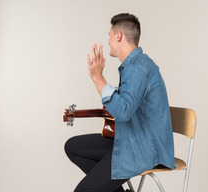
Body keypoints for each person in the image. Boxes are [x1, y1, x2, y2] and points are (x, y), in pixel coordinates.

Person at [64, 13, 175, 192]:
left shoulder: (138, 67)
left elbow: (123, 112)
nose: (107, 40)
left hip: (143, 149)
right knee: (72, 147)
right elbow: (127, 105)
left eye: (109, 35)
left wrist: (98, 78)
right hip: (131, 139)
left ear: (118, 36)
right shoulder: (134, 66)